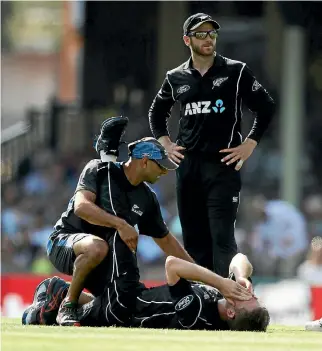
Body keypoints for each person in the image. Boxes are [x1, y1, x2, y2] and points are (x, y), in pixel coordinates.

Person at [148, 13, 276, 277]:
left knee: (223, 239)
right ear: (187, 40)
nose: (208, 39)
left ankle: (232, 304)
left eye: (211, 34)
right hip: (188, 167)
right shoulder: (176, 77)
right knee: (194, 242)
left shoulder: (236, 71)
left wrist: (250, 143)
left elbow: (266, 106)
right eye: (200, 34)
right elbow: (156, 114)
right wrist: (166, 145)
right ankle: (205, 306)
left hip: (223, 166)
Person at [46, 116, 194, 326]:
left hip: (103, 256)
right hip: (64, 241)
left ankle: (57, 295)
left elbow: (167, 241)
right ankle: (68, 306)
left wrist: (199, 272)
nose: (163, 172)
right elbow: (81, 208)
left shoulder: (147, 197)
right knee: (98, 247)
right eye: (160, 166)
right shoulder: (97, 169)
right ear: (144, 161)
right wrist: (121, 224)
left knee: (117, 304)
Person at [24, 236, 262, 331]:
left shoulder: (197, 311)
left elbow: (172, 264)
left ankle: (54, 295)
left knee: (42, 317)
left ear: (231, 311)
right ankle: (62, 294)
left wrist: (221, 283)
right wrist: (240, 276)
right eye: (255, 296)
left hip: (124, 311)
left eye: (249, 299)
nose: (250, 293)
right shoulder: (231, 295)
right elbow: (239, 259)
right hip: (136, 296)